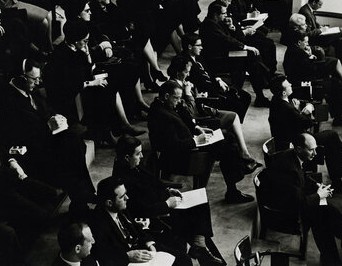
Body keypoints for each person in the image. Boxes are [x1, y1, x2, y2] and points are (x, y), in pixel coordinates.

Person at [0, 58, 96, 218]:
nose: (38, 82)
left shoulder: (30, 90)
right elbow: (17, 134)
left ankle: (81, 199)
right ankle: (82, 199)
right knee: (72, 148)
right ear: (22, 78)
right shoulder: (8, 100)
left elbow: (46, 110)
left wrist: (56, 117)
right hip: (30, 150)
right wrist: (47, 127)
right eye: (34, 79)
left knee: (73, 141)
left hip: (45, 140)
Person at [259, 133, 342, 265]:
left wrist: (315, 185)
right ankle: (341, 247)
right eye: (311, 150)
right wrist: (319, 195)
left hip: (284, 199)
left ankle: (340, 247)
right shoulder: (289, 169)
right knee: (321, 214)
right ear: (299, 149)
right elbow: (298, 203)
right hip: (280, 214)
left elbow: (302, 177)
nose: (315, 153)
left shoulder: (292, 154)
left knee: (323, 212)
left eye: (315, 149)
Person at [112, 136, 224, 265]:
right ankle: (201, 250)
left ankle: (200, 246)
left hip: (163, 201)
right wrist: (167, 204)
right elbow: (138, 209)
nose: (142, 156)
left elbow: (153, 182)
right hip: (155, 215)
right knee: (195, 220)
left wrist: (168, 190)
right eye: (138, 154)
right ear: (127, 157)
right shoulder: (122, 181)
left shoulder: (134, 164)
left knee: (201, 204)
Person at [148, 80, 256, 204]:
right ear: (167, 96)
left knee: (228, 138)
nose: (178, 101)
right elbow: (172, 146)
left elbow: (185, 117)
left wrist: (196, 128)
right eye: (176, 98)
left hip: (190, 145)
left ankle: (234, 185)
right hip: (182, 156)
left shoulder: (168, 105)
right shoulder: (160, 114)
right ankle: (234, 185)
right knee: (227, 145)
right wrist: (195, 141)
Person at [44, 19, 145, 139]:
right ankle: (108, 131)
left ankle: (123, 122)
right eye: (85, 41)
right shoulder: (61, 55)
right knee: (108, 89)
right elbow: (68, 84)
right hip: (71, 96)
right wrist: (91, 82)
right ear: (76, 41)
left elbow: (87, 69)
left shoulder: (77, 48)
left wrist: (87, 55)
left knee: (127, 73)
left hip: (85, 82)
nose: (87, 44)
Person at [269, 75, 342, 193]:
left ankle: (341, 163)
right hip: (295, 142)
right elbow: (307, 123)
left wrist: (296, 109)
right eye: (288, 85)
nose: (291, 85)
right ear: (283, 93)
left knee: (329, 143)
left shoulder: (276, 101)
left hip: (287, 137)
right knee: (331, 136)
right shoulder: (286, 107)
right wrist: (308, 110)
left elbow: (291, 120)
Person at [90, 176, 192, 266]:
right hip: (130, 259)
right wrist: (127, 256)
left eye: (126, 194)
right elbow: (103, 256)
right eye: (122, 197)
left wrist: (149, 243)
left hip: (144, 248)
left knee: (184, 259)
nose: (127, 198)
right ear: (109, 203)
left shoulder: (120, 207)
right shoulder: (97, 223)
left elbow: (135, 227)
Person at [283, 30, 342, 126]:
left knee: (333, 83)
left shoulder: (293, 50)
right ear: (299, 42)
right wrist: (310, 56)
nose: (307, 44)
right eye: (306, 42)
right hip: (302, 87)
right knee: (332, 84)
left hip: (302, 81)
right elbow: (312, 69)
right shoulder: (298, 53)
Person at [199, 2, 270, 107]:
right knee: (251, 58)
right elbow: (226, 40)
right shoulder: (209, 25)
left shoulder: (216, 22)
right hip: (217, 59)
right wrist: (245, 47)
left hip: (224, 53)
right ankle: (261, 88)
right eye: (223, 13)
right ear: (215, 14)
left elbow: (230, 38)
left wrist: (231, 27)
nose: (225, 15)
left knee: (252, 58)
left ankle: (260, 88)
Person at [181, 33, 251, 122]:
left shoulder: (198, 57)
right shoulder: (183, 61)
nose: (201, 48)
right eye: (199, 45)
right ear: (190, 46)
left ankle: (235, 124)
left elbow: (209, 71)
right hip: (206, 93)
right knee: (238, 104)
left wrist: (218, 79)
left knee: (246, 97)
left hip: (215, 85)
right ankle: (231, 124)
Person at [299, 0, 342, 75]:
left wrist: (321, 27)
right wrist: (321, 30)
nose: (321, 7)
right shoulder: (305, 12)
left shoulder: (308, 9)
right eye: (319, 4)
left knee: (340, 40)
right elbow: (307, 33)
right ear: (314, 2)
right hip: (313, 40)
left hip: (317, 37)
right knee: (341, 34)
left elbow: (314, 24)